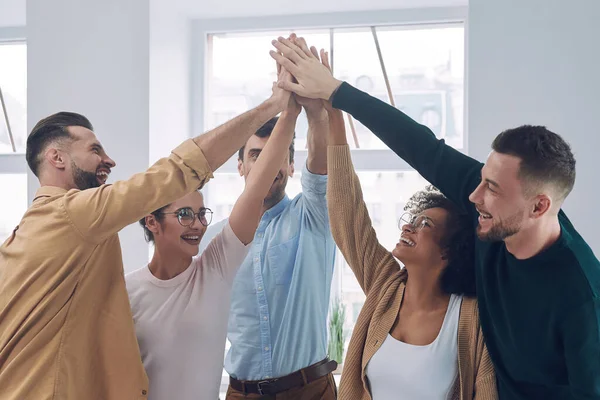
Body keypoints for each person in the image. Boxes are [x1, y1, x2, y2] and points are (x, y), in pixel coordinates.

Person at [271, 36, 600, 399]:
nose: (474, 195)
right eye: (481, 180)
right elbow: (422, 147)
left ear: (539, 206)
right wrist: (335, 94)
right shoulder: (485, 225)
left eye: (491, 188)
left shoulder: (581, 295)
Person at [0, 72, 293, 399]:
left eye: (201, 214)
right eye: (95, 149)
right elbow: (176, 172)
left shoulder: (22, 238)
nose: (109, 160)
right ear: (57, 158)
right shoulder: (73, 215)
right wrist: (274, 105)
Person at [125, 67, 299, 400]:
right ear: (152, 222)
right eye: (184, 214)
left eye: (201, 213)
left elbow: (258, 184)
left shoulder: (215, 268)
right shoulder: (126, 292)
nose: (198, 224)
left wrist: (287, 111)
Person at [323, 74, 496, 399]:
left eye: (425, 225)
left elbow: (486, 392)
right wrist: (333, 114)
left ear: (449, 251)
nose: (408, 227)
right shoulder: (384, 287)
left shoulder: (471, 317)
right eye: (412, 220)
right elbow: (348, 216)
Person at [198, 36, 337, 400]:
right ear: (241, 166)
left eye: (277, 155)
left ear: (291, 165)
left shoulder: (312, 217)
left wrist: (315, 112)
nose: (267, 163)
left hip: (309, 390)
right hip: (240, 393)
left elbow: (320, 167)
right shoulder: (214, 239)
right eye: (256, 155)